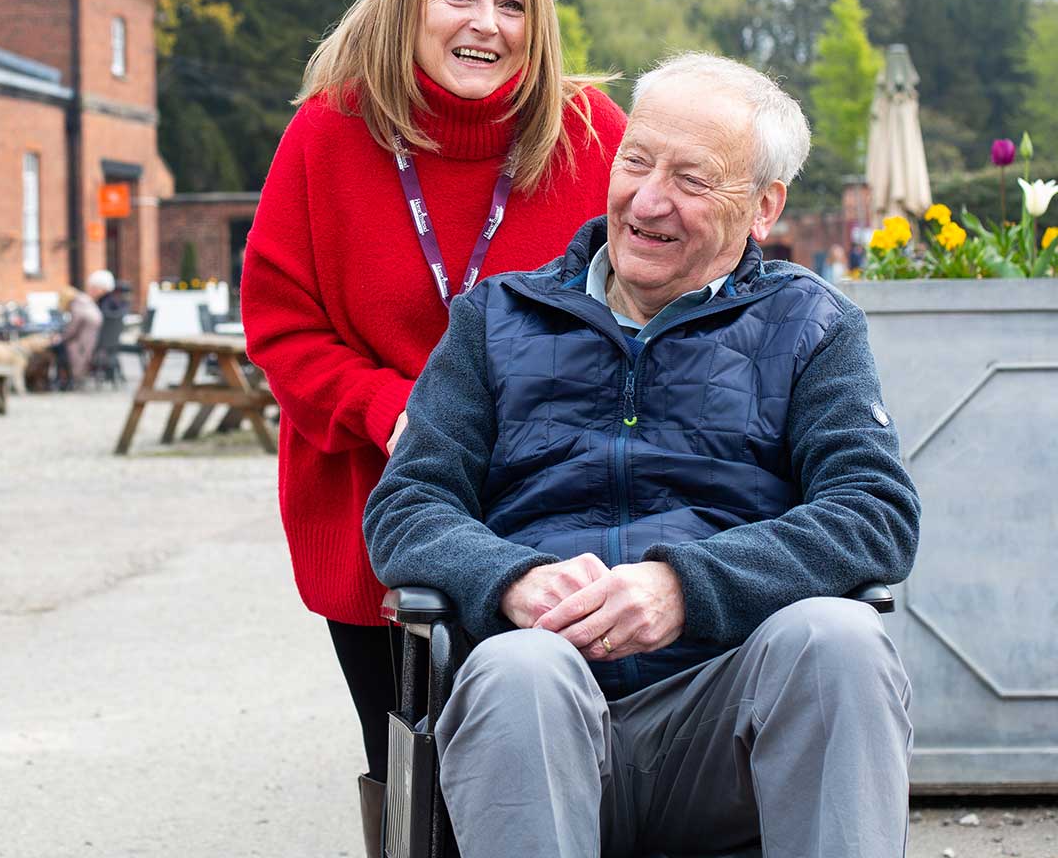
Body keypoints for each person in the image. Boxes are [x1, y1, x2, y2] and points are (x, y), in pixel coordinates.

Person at [365, 52, 921, 858]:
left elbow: (875, 514)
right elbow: (406, 505)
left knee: (840, 639)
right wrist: (509, 579)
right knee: (520, 670)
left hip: (727, 721)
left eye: (692, 181)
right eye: (636, 160)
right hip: (539, 717)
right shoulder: (496, 319)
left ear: (763, 207)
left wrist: (686, 588)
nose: (648, 199)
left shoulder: (813, 326)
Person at [239, 0, 627, 855]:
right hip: (377, 502)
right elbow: (281, 326)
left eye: (510, 4)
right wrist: (391, 408)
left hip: (550, 506)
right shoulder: (328, 134)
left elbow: (653, 290)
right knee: (413, 772)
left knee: (541, 763)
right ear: (408, 4)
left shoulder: (591, 132)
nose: (484, 24)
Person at [53, 285, 103, 389]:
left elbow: (72, 329)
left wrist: (61, 337)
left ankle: (63, 380)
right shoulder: (85, 301)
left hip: (82, 345)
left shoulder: (76, 305)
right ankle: (64, 378)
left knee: (57, 347)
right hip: (92, 341)